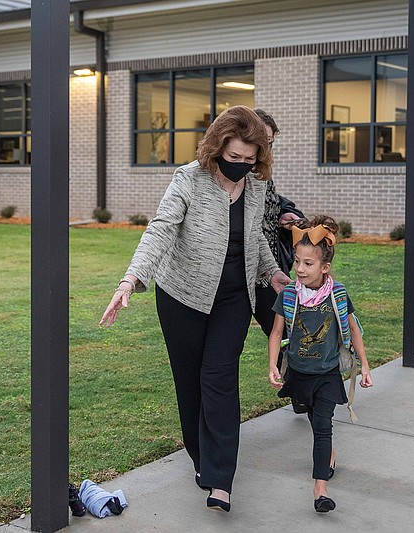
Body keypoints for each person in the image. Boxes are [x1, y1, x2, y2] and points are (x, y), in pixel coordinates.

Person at [100, 105, 291, 513]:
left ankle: (221, 480)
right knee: (189, 382)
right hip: (182, 296)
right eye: (233, 157)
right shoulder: (189, 178)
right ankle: (202, 460)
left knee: (219, 377)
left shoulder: (256, 186)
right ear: (217, 147)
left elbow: (254, 236)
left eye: (249, 159)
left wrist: (273, 273)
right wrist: (130, 280)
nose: (240, 166)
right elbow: (161, 229)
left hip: (234, 297)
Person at [267, 215, 373, 513]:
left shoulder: (337, 294)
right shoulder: (289, 295)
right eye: (297, 262)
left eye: (308, 264)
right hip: (300, 373)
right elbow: (276, 333)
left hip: (327, 374)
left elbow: (353, 329)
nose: (300, 269)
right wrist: (273, 366)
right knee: (314, 420)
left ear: (324, 267)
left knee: (323, 425)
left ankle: (320, 490)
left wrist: (365, 366)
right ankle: (329, 455)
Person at [252, 109, 306, 411]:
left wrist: (288, 215)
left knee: (289, 333)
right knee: (282, 333)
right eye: (264, 141)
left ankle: (301, 395)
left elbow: (274, 201)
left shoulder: (263, 172)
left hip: (271, 272)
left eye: (271, 143)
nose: (267, 149)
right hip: (248, 276)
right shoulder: (237, 171)